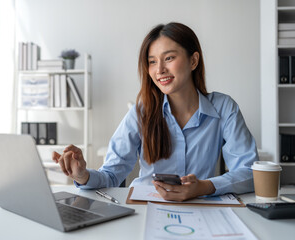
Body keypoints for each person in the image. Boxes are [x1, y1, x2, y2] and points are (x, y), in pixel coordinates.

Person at [52, 22, 259, 201]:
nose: (159, 70)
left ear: (193, 61)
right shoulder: (142, 112)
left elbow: (250, 172)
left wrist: (205, 187)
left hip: (201, 208)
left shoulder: (224, 108)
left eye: (168, 58)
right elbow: (110, 175)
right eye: (152, 61)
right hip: (146, 208)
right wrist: (82, 176)